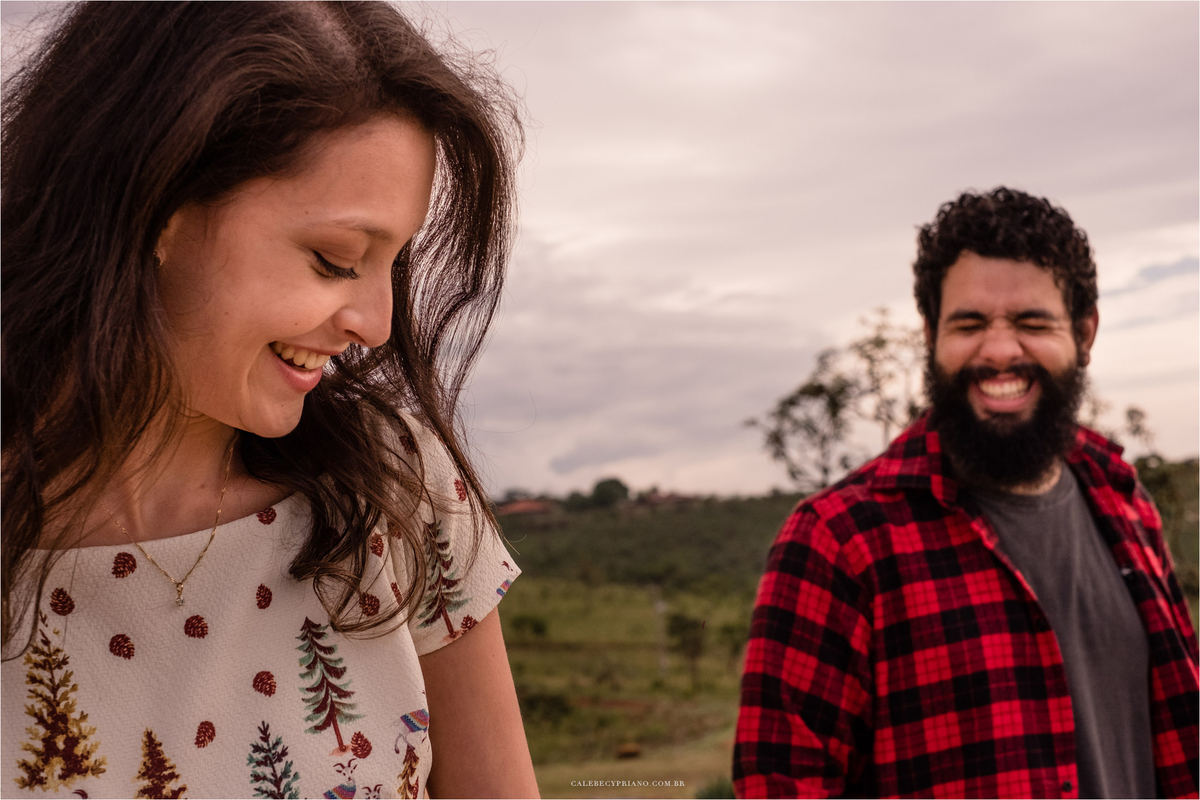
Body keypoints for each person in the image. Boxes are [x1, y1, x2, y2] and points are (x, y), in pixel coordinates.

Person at [0, 3, 539, 798]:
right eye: (333, 259)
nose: (379, 326)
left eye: (394, 261)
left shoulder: (396, 490)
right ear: (157, 207)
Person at [734, 187, 1198, 798]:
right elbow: (780, 785)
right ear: (931, 335)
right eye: (970, 323)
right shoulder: (839, 542)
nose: (1000, 350)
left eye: (1033, 323)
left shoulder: (1126, 504)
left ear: (1084, 333)